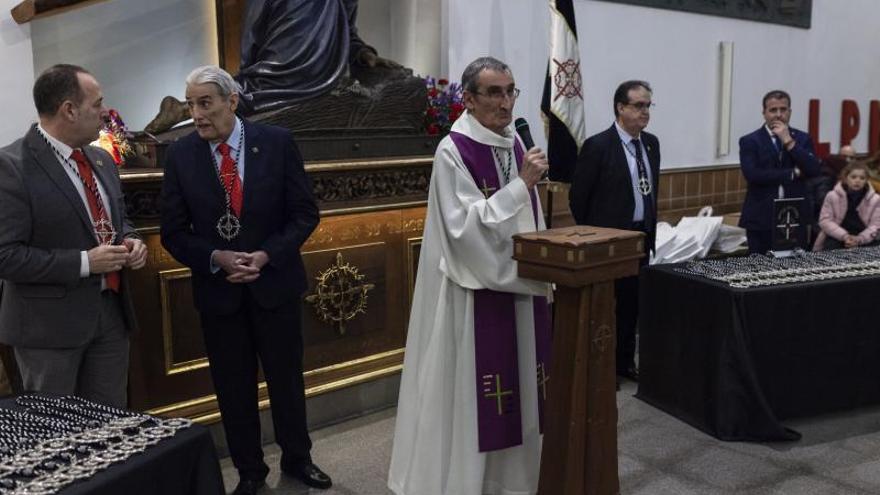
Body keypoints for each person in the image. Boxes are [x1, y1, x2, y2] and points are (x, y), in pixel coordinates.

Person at [159, 65, 328, 495]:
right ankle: (250, 472)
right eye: (191, 103)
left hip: (275, 285)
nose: (196, 114)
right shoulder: (180, 155)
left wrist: (267, 254)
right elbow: (173, 233)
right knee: (233, 389)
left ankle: (298, 459)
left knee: (286, 381)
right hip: (220, 292)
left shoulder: (276, 143)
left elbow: (304, 214)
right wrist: (216, 256)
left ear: (231, 102)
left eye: (205, 103)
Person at [388, 57, 552, 495]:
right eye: (494, 93)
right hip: (476, 293)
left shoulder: (513, 140)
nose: (505, 102)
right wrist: (521, 185)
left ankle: (517, 482)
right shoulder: (453, 150)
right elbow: (463, 229)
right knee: (479, 397)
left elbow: (527, 218)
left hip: (519, 283)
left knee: (523, 386)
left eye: (510, 91)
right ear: (469, 98)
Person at [0, 64, 147, 408]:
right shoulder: (11, 166)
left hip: (111, 315)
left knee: (110, 429)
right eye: (97, 104)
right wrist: (84, 262)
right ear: (69, 109)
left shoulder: (101, 159)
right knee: (56, 436)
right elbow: (5, 256)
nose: (106, 112)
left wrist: (131, 240)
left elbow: (119, 220)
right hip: (48, 330)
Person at [568, 80, 660, 383]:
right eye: (638, 105)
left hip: (640, 238)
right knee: (606, 306)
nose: (645, 112)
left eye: (648, 105)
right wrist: (596, 233)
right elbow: (578, 198)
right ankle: (600, 367)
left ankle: (623, 363)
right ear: (621, 108)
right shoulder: (598, 146)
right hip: (607, 243)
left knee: (632, 305)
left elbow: (650, 191)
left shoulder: (651, 144)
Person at [738, 90, 821, 254]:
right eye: (773, 110)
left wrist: (789, 142)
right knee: (760, 268)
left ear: (789, 112)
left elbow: (813, 169)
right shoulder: (750, 141)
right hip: (762, 215)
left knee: (795, 267)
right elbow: (752, 174)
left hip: (794, 216)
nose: (778, 115)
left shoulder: (802, 139)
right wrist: (791, 174)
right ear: (764, 113)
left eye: (783, 110)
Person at [813, 162, 880, 250]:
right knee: (831, 246)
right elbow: (825, 221)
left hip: (865, 238)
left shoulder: (876, 199)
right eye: (853, 177)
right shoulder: (832, 196)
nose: (857, 181)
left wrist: (859, 239)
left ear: (866, 180)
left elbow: (876, 225)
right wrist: (845, 236)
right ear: (845, 178)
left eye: (862, 178)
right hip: (837, 236)